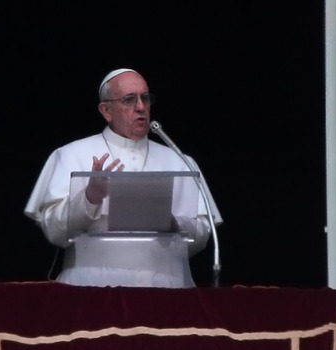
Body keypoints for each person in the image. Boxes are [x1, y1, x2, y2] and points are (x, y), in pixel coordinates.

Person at [24, 68, 222, 288]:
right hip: (90, 291)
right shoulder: (70, 154)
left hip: (167, 292)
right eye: (129, 100)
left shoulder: (180, 161)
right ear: (106, 110)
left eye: (145, 98)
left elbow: (204, 234)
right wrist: (90, 198)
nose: (141, 107)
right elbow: (53, 232)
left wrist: (175, 224)